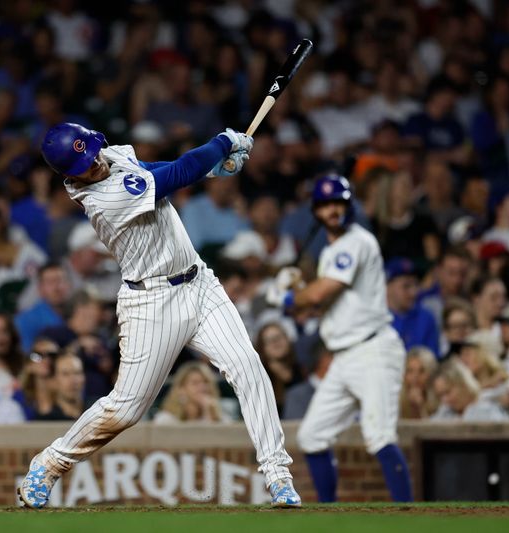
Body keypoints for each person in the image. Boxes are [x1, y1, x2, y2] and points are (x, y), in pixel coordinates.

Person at [19, 123, 300, 508]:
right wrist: (222, 143)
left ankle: (278, 475)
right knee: (126, 408)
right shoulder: (103, 198)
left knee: (247, 365)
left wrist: (215, 168)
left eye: (93, 152)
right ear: (70, 175)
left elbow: (150, 167)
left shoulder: (110, 156)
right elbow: (178, 174)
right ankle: (50, 463)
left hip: (200, 283)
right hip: (151, 303)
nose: (95, 162)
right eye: (84, 163)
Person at [266, 175, 412, 503]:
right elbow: (326, 304)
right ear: (316, 211)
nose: (334, 210)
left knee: (379, 437)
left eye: (339, 203)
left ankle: (408, 515)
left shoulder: (356, 242)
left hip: (372, 349)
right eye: (326, 205)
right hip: (345, 356)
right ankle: (328, 513)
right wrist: (297, 293)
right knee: (312, 436)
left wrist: (286, 297)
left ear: (349, 207)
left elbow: (322, 292)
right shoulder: (333, 251)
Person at [385, 257, 439, 357]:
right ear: (387, 287)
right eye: (406, 286)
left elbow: (432, 361)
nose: (413, 292)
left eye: (416, 285)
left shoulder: (426, 318)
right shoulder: (375, 319)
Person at [14, 262, 71, 352]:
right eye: (50, 282)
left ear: (69, 285)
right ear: (40, 289)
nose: (57, 287)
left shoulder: (78, 313)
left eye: (61, 280)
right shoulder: (26, 320)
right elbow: (25, 355)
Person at [153, 361, 231, 424]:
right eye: (195, 383)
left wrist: (211, 415)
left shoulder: (222, 419)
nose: (202, 387)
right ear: (181, 389)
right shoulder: (166, 420)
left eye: (206, 382)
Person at [430, 359, 509, 421]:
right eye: (441, 395)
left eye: (448, 392)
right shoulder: (444, 412)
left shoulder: (489, 409)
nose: (445, 400)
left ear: (463, 384)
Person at [254, 322, 303, 417]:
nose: (276, 342)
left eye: (278, 337)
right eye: (269, 340)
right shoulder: (259, 377)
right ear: (262, 347)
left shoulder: (301, 370)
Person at [283, 342, 334, 421]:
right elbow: (294, 430)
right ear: (323, 359)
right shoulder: (297, 396)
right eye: (335, 356)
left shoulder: (350, 390)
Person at [37, 352, 86, 421]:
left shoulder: (98, 412)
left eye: (77, 373)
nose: (73, 380)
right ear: (53, 381)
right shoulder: (46, 421)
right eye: (65, 374)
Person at [399, 346, 439, 419]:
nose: (415, 377)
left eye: (422, 371)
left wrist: (420, 408)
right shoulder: (396, 402)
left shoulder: (441, 401)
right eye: (410, 371)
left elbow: (433, 429)